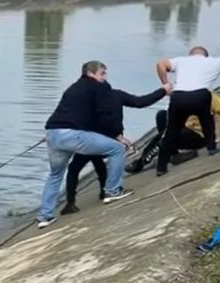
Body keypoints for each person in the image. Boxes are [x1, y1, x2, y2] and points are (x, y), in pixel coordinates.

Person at [36, 61, 135, 229]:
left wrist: (52, 135)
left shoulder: (72, 88)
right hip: (72, 134)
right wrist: (117, 135)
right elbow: (104, 115)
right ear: (91, 73)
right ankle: (112, 191)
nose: (104, 77)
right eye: (102, 73)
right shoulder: (98, 88)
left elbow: (64, 112)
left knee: (55, 175)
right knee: (117, 149)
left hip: (53, 133)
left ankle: (45, 216)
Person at [61, 83, 170, 214]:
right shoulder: (116, 95)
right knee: (97, 159)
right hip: (109, 140)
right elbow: (141, 102)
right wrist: (163, 91)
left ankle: (71, 202)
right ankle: (105, 191)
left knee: (75, 167)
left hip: (91, 140)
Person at [154, 47, 220, 176]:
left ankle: (161, 167)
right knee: (207, 119)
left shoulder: (181, 61)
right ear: (205, 55)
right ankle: (212, 148)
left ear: (190, 55)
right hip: (200, 95)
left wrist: (166, 84)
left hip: (179, 96)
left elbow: (161, 64)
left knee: (172, 130)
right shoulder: (214, 62)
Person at [128, 92, 220, 173]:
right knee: (162, 115)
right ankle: (173, 154)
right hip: (184, 129)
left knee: (166, 135)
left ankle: (141, 163)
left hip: (199, 136)